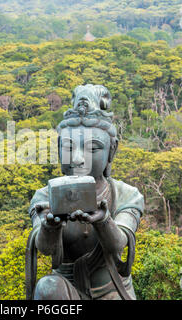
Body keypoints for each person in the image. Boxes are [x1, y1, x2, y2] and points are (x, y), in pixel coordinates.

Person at [26, 84, 144, 300]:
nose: (78, 158)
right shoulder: (44, 197)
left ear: (112, 150)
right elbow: (44, 248)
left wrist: (103, 220)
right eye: (69, 147)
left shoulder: (126, 194)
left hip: (111, 290)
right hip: (65, 290)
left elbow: (119, 243)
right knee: (47, 288)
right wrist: (49, 226)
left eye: (92, 148)